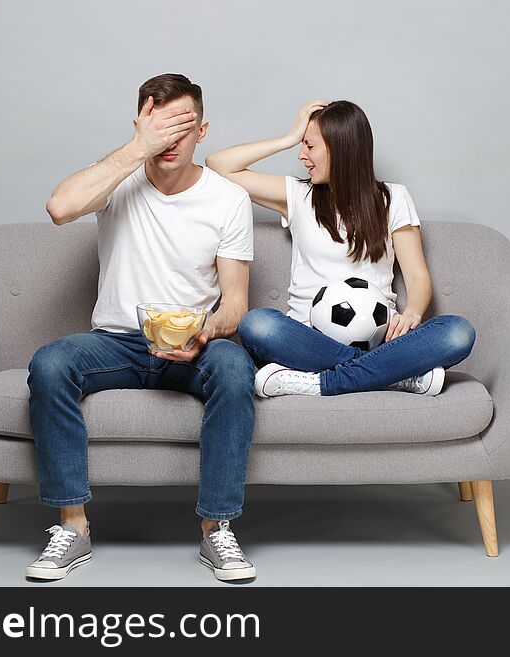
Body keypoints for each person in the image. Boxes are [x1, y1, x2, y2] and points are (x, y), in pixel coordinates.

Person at [27, 74, 257, 582]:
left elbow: (235, 304)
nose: (170, 141)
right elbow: (60, 208)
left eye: (183, 127)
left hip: (194, 344)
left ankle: (216, 529)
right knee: (50, 363)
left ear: (203, 130)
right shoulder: (119, 182)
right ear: (141, 126)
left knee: (236, 368)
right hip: (117, 343)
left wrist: (206, 333)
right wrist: (137, 147)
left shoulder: (227, 199)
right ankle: (73, 528)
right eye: (160, 127)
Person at [206, 100, 476, 398]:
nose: (301, 155)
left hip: (380, 338)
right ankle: (391, 376)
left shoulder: (393, 199)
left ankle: (324, 382)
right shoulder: (297, 195)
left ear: (340, 148)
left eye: (309, 146)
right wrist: (289, 137)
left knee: (458, 331)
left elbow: (417, 276)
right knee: (257, 324)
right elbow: (218, 166)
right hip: (307, 337)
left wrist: (412, 312)